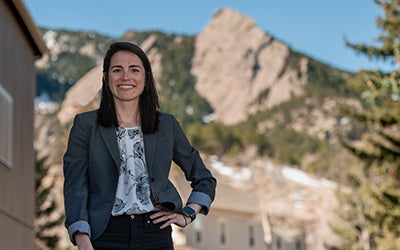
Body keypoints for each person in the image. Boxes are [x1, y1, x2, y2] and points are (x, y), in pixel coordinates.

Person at [63, 41, 217, 250]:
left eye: (134, 70)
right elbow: (75, 187)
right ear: (106, 77)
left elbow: (204, 179)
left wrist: (188, 214)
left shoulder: (167, 125)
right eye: (117, 70)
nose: (125, 77)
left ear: (146, 78)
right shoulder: (85, 125)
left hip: (155, 235)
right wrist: (82, 240)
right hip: (104, 235)